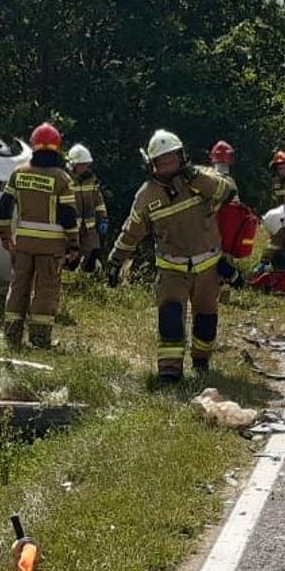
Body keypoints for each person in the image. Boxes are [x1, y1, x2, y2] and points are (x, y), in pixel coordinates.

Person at [105, 129, 236, 382]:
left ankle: (201, 363)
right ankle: (169, 374)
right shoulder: (146, 196)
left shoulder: (200, 180)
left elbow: (228, 192)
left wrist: (196, 178)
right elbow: (131, 231)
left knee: (206, 322)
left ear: (181, 157)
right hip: (171, 270)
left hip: (208, 268)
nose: (167, 166)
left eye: (172, 159)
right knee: (170, 320)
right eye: (161, 162)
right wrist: (115, 261)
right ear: (151, 165)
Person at [0, 122, 79, 348]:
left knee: (18, 287)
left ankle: (11, 337)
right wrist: (74, 245)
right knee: (45, 290)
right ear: (57, 149)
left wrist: (5, 236)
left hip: (23, 244)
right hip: (51, 248)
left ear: (33, 146)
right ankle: (40, 339)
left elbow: (3, 207)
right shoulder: (62, 179)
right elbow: (68, 215)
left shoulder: (19, 173)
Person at [208, 140, 249, 288]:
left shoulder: (210, 180)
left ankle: (221, 289)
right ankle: (227, 290)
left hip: (214, 228)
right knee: (226, 259)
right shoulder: (231, 181)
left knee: (214, 262)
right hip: (230, 231)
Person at [66, 144, 110, 273]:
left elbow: (99, 201)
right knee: (71, 261)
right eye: (81, 164)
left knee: (92, 257)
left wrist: (103, 219)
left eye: (86, 164)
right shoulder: (65, 180)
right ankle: (71, 288)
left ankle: (87, 287)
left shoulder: (91, 180)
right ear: (72, 164)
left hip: (90, 229)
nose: (84, 167)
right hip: (71, 229)